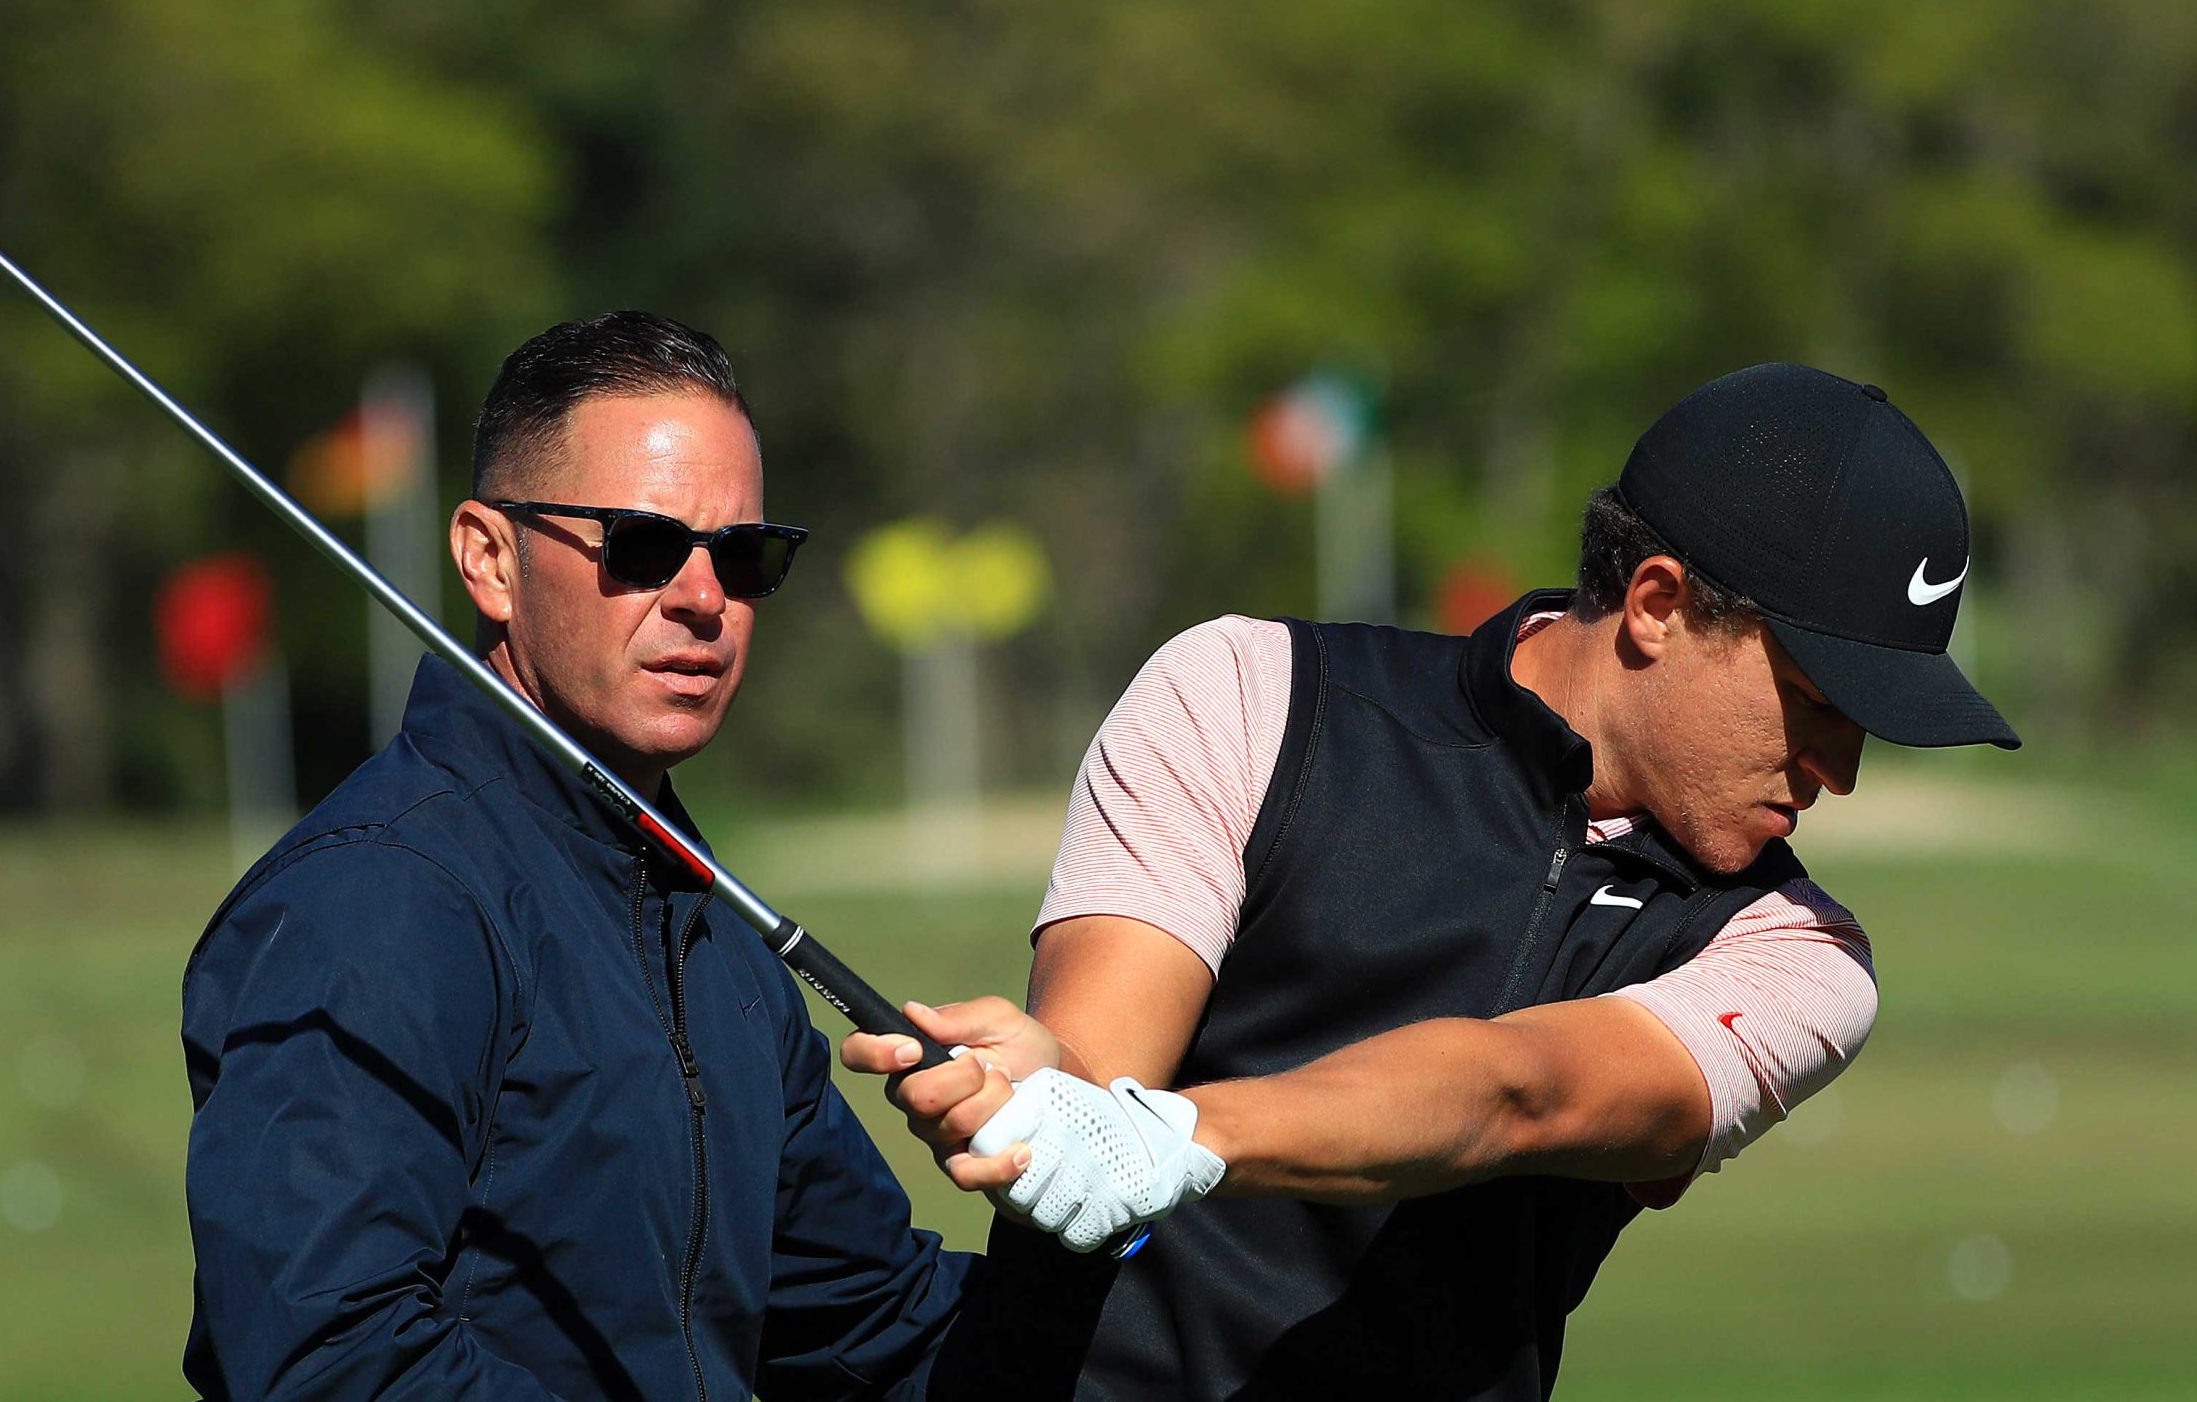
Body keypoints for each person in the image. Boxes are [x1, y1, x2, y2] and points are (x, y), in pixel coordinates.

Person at [845, 363, 2019, 1398]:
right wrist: (1046, 1097)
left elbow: (1520, 1091)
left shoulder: (1795, 954)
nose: (1840, 772)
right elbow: (1095, 1091)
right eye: (1819, 704)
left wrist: (1175, 1137)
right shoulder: (1253, 696)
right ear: (1658, 606)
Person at [182, 311, 970, 1399]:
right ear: (489, 559)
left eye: (744, 558)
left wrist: (1197, 1277)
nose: (702, 599)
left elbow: (879, 1327)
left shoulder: (709, 926)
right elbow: (330, 1360)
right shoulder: (376, 903)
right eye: (641, 545)